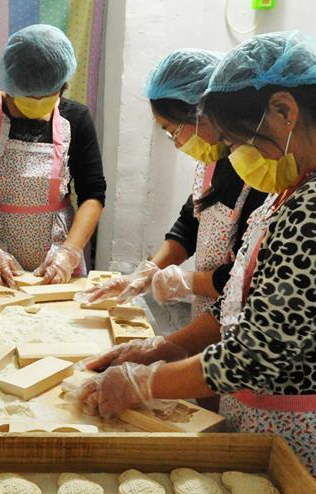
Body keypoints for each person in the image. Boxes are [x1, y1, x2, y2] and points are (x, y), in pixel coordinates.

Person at [79, 32, 316, 494]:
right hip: (261, 422)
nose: (237, 156)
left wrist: (144, 383)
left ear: (284, 112)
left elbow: (259, 354)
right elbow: (237, 308)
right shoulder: (291, 192)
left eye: (243, 141)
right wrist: (166, 346)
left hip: (305, 438)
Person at [82, 49, 269, 317]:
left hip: (238, 316)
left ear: (202, 113)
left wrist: (184, 282)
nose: (178, 144)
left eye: (173, 131)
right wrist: (147, 273)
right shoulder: (212, 162)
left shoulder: (260, 173)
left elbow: (246, 272)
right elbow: (190, 224)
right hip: (208, 310)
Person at [0, 24, 106, 286]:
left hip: (57, 258)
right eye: (25, 98)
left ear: (62, 86)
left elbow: (93, 194)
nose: (35, 103)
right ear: (9, 84)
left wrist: (69, 253)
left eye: (45, 98)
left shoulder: (76, 118)